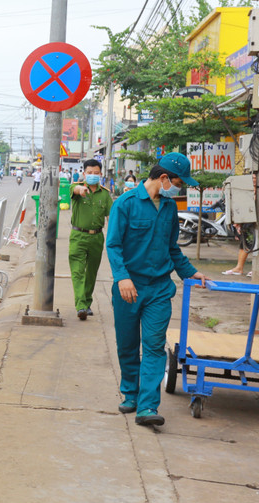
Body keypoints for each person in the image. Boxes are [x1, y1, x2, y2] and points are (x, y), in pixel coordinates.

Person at [106, 153, 208, 427]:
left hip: (160, 289)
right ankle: (130, 393)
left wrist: (190, 272)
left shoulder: (170, 207)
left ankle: (148, 406)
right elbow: (113, 245)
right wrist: (122, 278)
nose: (178, 188)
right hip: (128, 288)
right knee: (128, 345)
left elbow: (172, 248)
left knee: (153, 346)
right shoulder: (125, 204)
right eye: (178, 183)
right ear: (164, 178)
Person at [69, 159, 113, 321]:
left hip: (97, 238)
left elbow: (111, 217)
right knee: (78, 271)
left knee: (91, 273)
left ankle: (87, 302)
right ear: (84, 173)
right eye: (89, 173)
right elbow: (74, 189)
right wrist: (81, 190)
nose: (93, 175)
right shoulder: (77, 187)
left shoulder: (105, 194)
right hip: (78, 236)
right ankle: (81, 305)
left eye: (96, 173)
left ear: (100, 174)